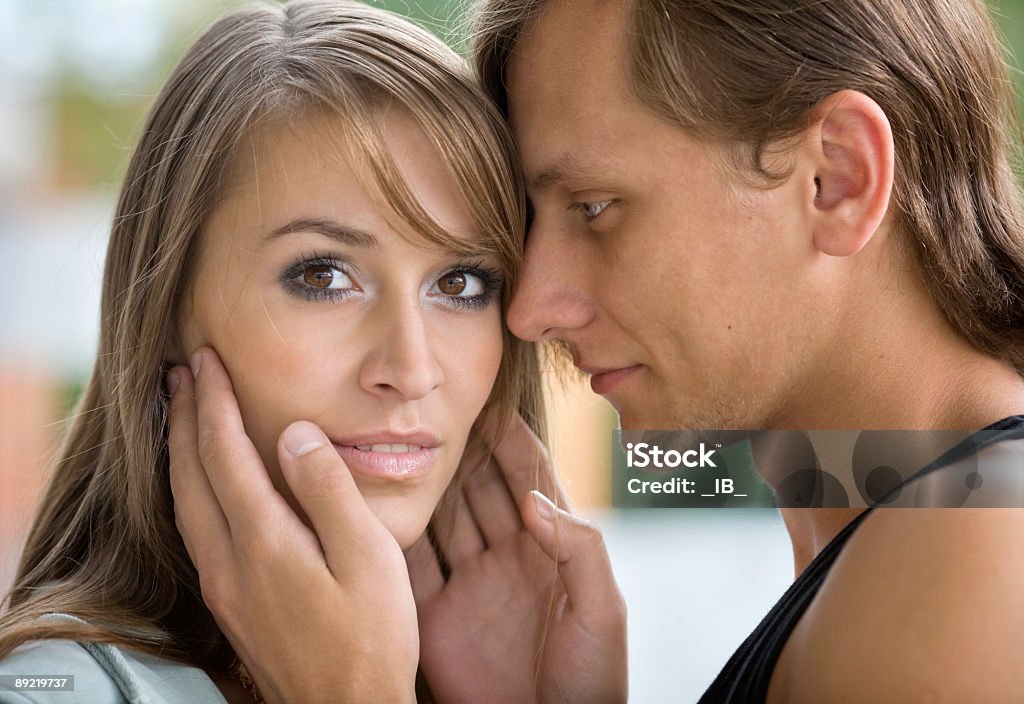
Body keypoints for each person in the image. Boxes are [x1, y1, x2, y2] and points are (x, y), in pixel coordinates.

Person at [169, 0, 1024, 701]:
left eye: (595, 208)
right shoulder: (889, 528)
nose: (529, 308)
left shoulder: (977, 560)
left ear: (835, 178)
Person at [0, 0, 568, 701]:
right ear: (169, 306)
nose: (413, 370)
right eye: (323, 276)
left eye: (461, 283)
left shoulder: (499, 672)